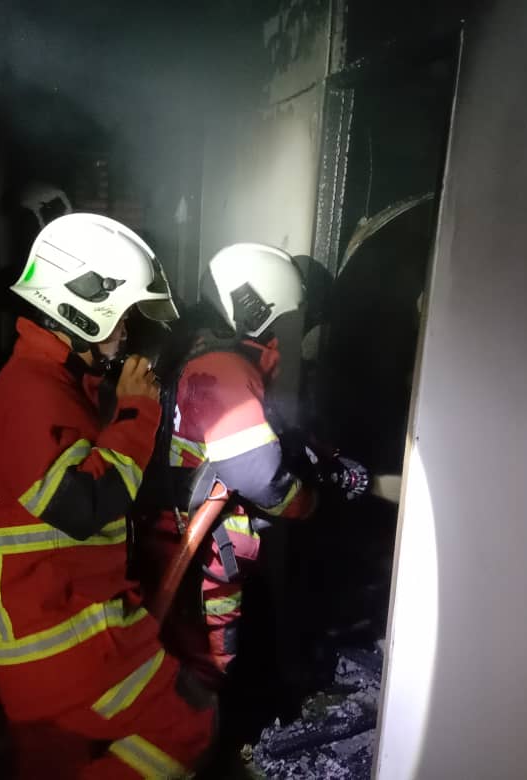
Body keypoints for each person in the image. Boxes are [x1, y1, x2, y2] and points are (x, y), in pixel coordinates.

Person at [0, 212, 215, 778]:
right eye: (121, 317)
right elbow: (83, 508)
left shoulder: (45, 385)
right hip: (65, 647)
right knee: (188, 719)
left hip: (50, 642)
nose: (126, 333)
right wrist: (137, 413)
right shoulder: (32, 394)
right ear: (79, 307)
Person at [134, 243, 371, 690]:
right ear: (256, 311)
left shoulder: (201, 355)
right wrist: (311, 501)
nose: (287, 336)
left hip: (186, 542)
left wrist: (321, 459)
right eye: (284, 322)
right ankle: (211, 719)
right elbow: (260, 477)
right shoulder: (222, 370)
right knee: (208, 655)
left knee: (188, 644)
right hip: (203, 554)